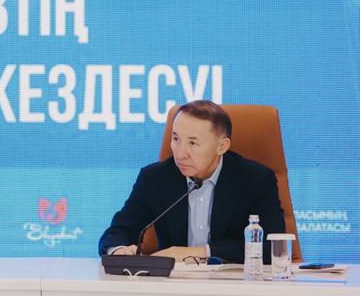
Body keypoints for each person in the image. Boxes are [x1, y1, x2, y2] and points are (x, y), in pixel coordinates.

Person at [99, 99, 285, 263]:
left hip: (234, 284)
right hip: (174, 284)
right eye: (176, 139)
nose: (180, 153)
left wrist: (197, 253)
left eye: (193, 143)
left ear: (222, 146)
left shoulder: (256, 180)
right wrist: (118, 250)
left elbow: (271, 246)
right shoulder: (154, 178)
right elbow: (117, 233)